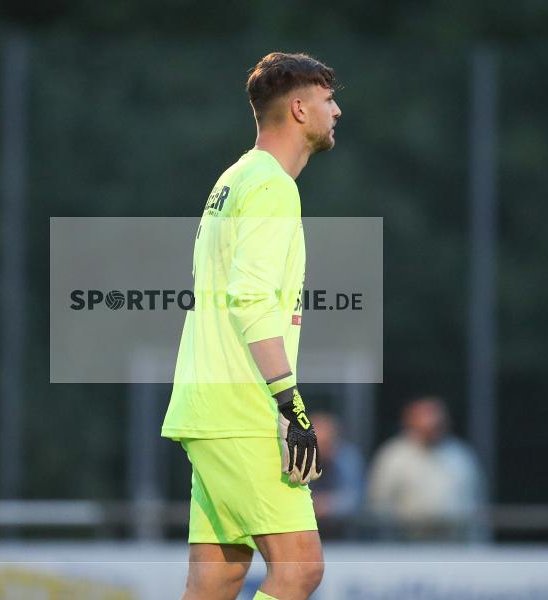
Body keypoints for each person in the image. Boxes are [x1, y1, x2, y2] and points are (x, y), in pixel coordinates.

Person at [161, 52, 342, 600]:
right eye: (327, 98)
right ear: (299, 108)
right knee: (300, 568)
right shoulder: (272, 186)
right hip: (243, 411)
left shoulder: (233, 178)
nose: (336, 109)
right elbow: (250, 298)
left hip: (207, 407)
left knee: (218, 580)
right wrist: (290, 405)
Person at [367, 396, 487, 542]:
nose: (431, 424)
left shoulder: (461, 456)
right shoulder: (393, 456)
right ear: (409, 421)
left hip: (453, 547)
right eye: (424, 419)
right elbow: (379, 504)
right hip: (406, 547)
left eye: (436, 421)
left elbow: (476, 504)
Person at [307, 413, 365, 537]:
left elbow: (356, 498)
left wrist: (327, 505)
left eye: (326, 443)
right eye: (316, 443)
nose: (322, 449)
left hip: (344, 534)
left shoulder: (348, 458)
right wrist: (310, 503)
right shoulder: (295, 458)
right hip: (303, 530)